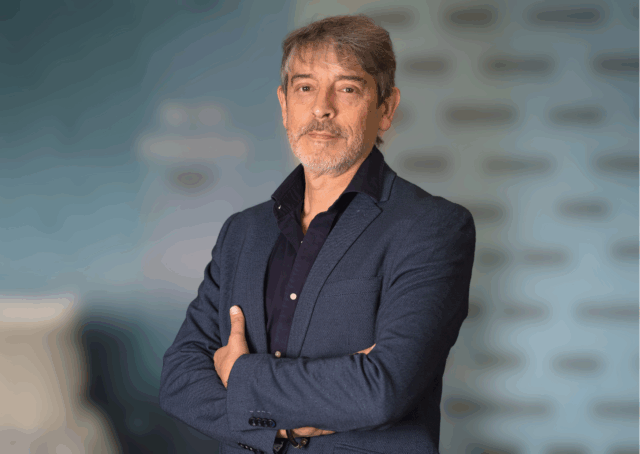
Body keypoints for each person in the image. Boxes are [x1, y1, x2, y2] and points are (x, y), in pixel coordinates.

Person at [159, 14, 475, 454]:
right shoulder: (242, 233)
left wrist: (240, 374)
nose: (322, 108)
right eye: (305, 87)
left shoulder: (432, 227)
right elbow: (179, 380)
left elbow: (383, 388)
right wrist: (281, 429)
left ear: (386, 109)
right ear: (284, 105)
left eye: (347, 89)